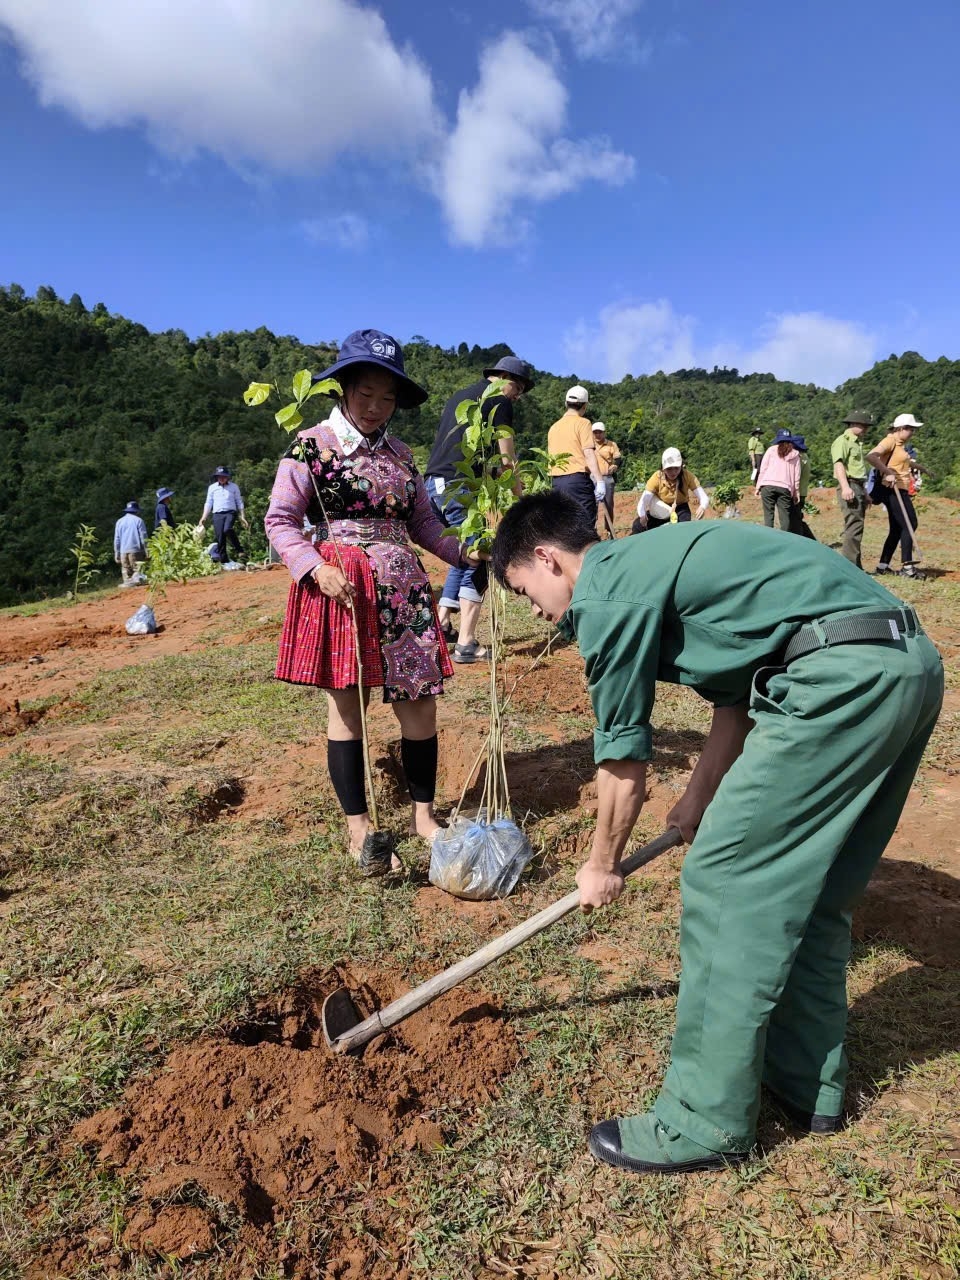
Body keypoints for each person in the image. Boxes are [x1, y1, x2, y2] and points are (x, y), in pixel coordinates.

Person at [491, 490, 943, 1174]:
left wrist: (601, 864)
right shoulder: (661, 560)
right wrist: (694, 803)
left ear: (548, 560)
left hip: (835, 680)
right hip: (904, 665)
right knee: (812, 890)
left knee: (725, 881)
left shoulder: (606, 592)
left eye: (527, 594)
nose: (539, 614)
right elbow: (738, 698)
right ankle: (806, 1086)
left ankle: (703, 1121)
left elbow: (622, 765)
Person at [265, 328, 481, 873]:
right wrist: (314, 568)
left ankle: (424, 817)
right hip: (342, 589)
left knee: (420, 702)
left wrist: (464, 553)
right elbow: (281, 522)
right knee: (348, 704)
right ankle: (358, 828)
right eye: (366, 394)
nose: (376, 407)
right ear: (342, 389)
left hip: (403, 587)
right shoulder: (311, 447)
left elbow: (424, 524)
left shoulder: (403, 457)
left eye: (387, 398)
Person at [425, 355, 533, 664]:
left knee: (463, 553)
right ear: (506, 379)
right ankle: (466, 643)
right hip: (456, 484)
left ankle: (443, 622)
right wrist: (519, 495)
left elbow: (464, 445)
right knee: (480, 557)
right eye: (519, 388)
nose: (518, 396)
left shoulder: (463, 396)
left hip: (434, 483)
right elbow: (507, 457)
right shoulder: (499, 400)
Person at [866, 413, 931, 580]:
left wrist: (922, 468)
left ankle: (883, 566)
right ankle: (908, 568)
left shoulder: (900, 445)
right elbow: (871, 456)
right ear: (901, 428)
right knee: (910, 524)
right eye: (911, 429)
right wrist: (887, 472)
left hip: (900, 489)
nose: (913, 433)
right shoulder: (890, 441)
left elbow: (904, 463)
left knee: (897, 528)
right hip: (892, 489)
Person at [548, 385, 605, 523]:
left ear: (566, 403)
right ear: (584, 406)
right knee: (584, 525)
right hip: (577, 482)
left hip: (556, 482)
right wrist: (599, 480)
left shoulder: (553, 427)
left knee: (565, 525)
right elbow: (589, 454)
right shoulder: (583, 423)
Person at [830, 411, 873, 568]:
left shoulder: (857, 443)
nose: (866, 430)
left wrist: (866, 493)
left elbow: (859, 471)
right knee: (854, 526)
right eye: (864, 426)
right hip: (850, 484)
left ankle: (856, 565)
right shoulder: (843, 441)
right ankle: (850, 566)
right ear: (854, 424)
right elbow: (839, 464)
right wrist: (845, 487)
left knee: (857, 525)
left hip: (858, 486)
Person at [632, 448, 709, 533]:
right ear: (663, 468)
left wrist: (702, 507)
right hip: (661, 509)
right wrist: (642, 516)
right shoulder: (656, 478)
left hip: (680, 509)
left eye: (676, 468)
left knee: (683, 525)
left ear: (681, 466)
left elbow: (703, 497)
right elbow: (643, 502)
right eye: (669, 469)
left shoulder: (687, 476)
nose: (673, 472)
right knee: (637, 526)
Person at [199, 466, 248, 564]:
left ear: (228, 477)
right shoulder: (212, 488)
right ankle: (224, 561)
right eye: (219, 476)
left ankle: (240, 550)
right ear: (217, 477)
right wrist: (203, 517)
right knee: (220, 537)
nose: (222, 478)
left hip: (230, 512)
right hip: (217, 514)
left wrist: (242, 516)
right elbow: (208, 503)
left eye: (224, 476)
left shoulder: (234, 487)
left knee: (227, 529)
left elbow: (239, 501)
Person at [755, 428, 801, 531]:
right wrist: (795, 492)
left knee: (768, 516)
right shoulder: (796, 454)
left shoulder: (771, 450)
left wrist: (758, 487)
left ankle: (768, 538)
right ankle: (783, 539)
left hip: (767, 485)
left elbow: (763, 469)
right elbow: (796, 476)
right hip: (785, 487)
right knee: (785, 517)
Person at [591, 422, 621, 538]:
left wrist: (615, 465)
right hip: (592, 478)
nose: (597, 434)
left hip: (606, 477)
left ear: (604, 433)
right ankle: (592, 530)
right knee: (592, 504)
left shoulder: (611, 444)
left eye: (600, 432)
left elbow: (618, 458)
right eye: (595, 432)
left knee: (608, 505)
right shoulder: (589, 445)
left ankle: (609, 530)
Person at [787, 435, 816, 539]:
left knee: (795, 520)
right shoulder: (805, 457)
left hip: (797, 493)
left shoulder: (799, 458)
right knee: (797, 518)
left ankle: (807, 540)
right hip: (802, 492)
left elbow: (795, 476)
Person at [113, 501, 148, 584]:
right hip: (136, 551)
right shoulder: (139, 521)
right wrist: (147, 550)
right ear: (136, 510)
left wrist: (117, 554)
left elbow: (117, 539)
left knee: (127, 579)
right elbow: (143, 537)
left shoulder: (119, 521)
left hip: (123, 552)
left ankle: (127, 593)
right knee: (138, 575)